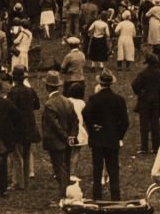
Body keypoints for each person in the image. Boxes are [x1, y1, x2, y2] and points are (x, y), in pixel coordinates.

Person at [82, 70, 129, 201]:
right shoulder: (119, 100)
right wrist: (119, 135)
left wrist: (92, 126)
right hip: (113, 139)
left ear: (100, 82)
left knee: (97, 170)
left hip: (97, 138)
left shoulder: (94, 98)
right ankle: (116, 197)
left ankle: (97, 197)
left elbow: (85, 113)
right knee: (113, 170)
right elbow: (125, 122)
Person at [40, 72, 78, 200]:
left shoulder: (49, 104)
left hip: (56, 142)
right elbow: (75, 121)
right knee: (66, 167)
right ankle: (67, 192)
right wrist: (71, 137)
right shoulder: (67, 101)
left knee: (59, 169)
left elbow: (55, 126)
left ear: (47, 86)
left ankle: (64, 195)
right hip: (67, 141)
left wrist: (65, 137)